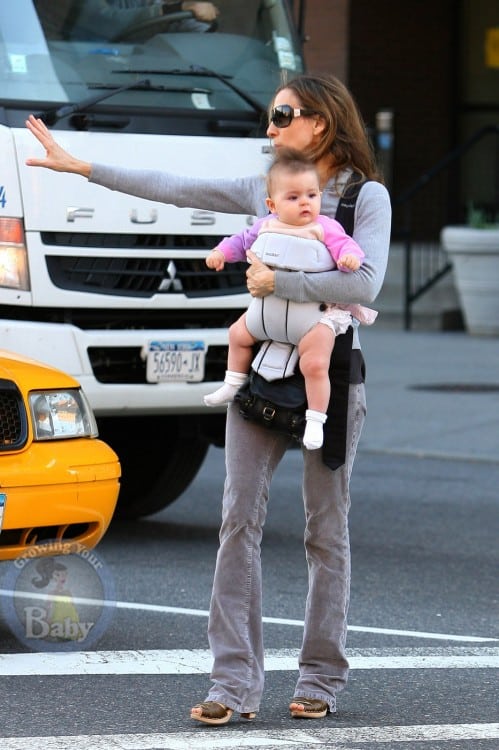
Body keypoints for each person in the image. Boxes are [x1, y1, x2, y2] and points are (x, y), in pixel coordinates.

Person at [25, 72, 391, 724]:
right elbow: (177, 188)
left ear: (322, 121)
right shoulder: (264, 187)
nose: (270, 127)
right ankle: (232, 685)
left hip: (326, 380)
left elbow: (363, 286)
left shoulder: (365, 197)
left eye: (282, 115)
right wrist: (82, 168)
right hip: (257, 378)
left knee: (323, 533)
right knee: (236, 525)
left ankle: (320, 680)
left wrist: (277, 277)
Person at [203, 147, 377, 450]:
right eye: (293, 197)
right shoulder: (265, 225)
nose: (305, 203)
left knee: (315, 364)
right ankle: (232, 384)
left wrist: (349, 258)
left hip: (310, 317)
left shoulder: (325, 228)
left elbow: (347, 247)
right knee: (237, 335)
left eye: (311, 195)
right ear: (272, 204)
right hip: (267, 314)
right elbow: (239, 242)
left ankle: (315, 419)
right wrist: (221, 253)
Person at [70, 0, 220, 41]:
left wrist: (202, 23)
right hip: (81, 64)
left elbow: (177, 24)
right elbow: (102, 20)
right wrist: (177, 8)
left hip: (140, 74)